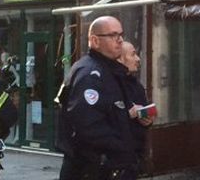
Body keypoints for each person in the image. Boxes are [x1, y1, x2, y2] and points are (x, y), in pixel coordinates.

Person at [57, 16, 137, 180]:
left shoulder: (110, 71)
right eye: (113, 35)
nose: (120, 40)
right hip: (92, 169)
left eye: (121, 35)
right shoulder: (90, 74)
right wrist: (122, 149)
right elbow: (88, 126)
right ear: (95, 40)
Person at [118, 41, 153, 177]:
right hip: (117, 156)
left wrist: (148, 119)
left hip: (135, 154)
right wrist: (128, 114)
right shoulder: (110, 83)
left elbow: (145, 110)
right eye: (133, 54)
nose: (138, 59)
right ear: (120, 58)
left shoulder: (136, 84)